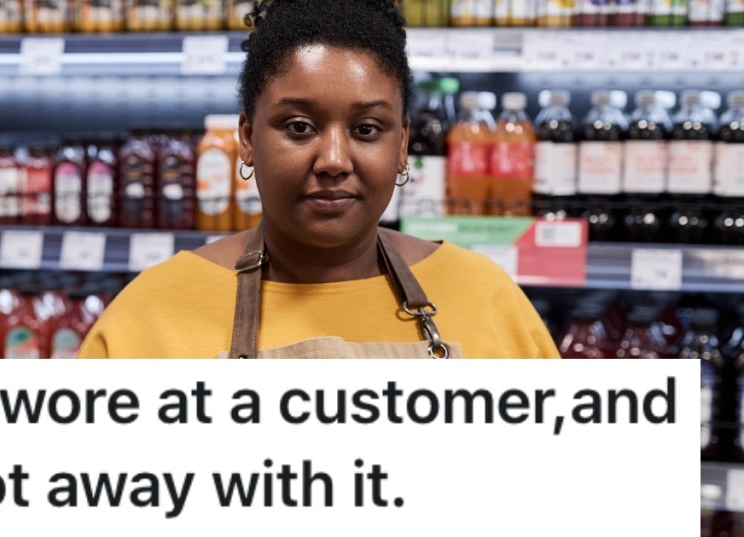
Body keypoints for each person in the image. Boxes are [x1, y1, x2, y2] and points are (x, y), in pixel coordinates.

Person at [79, 0, 559, 359]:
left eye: (366, 129)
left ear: (402, 145)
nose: (333, 160)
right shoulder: (147, 317)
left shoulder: (488, 299)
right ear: (247, 137)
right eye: (299, 127)